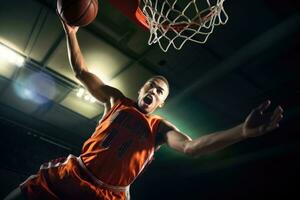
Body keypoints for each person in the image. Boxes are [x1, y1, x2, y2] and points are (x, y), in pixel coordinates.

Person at [4, 17, 284, 200]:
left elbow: (193, 147)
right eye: (150, 85)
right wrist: (70, 31)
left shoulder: (159, 128)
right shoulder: (116, 101)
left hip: (108, 196)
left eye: (159, 91)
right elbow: (81, 71)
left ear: (161, 102)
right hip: (73, 176)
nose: (153, 90)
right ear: (141, 90)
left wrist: (242, 132)